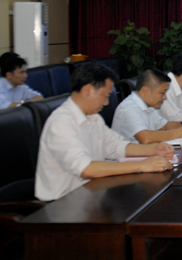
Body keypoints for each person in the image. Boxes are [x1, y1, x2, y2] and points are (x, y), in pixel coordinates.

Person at [35, 63, 174, 202]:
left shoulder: (94, 118)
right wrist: (142, 165)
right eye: (105, 96)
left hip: (92, 193)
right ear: (88, 90)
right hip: (63, 203)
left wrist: (154, 149)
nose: (107, 103)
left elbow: (117, 146)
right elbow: (86, 169)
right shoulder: (60, 123)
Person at [112, 67, 182, 143]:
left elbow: (164, 126)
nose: (165, 97)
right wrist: (178, 133)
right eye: (162, 93)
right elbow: (145, 138)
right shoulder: (128, 108)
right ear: (146, 90)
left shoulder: (147, 106)